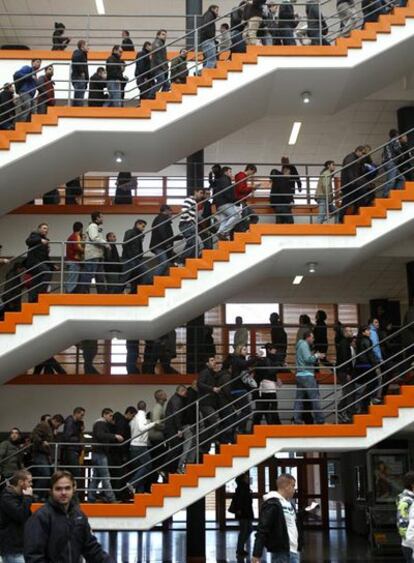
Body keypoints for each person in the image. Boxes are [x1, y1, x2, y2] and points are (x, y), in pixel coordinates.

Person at [24, 471, 113, 562]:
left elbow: (92, 549)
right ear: (51, 491)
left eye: (67, 488)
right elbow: (34, 557)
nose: (63, 492)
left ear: (73, 489)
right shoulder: (40, 517)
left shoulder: (79, 516)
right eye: (58, 489)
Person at [252, 473, 301, 563]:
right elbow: (262, 529)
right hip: (281, 553)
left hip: (293, 551)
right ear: (286, 486)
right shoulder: (272, 504)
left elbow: (291, 523)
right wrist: (256, 554)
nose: (294, 489)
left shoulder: (289, 504)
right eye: (293, 486)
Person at [89, 408, 123, 503]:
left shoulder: (98, 423)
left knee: (96, 478)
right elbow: (100, 435)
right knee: (105, 477)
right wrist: (114, 436)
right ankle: (111, 499)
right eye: (110, 415)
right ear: (104, 415)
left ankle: (91, 498)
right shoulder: (101, 423)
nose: (112, 418)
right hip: (100, 454)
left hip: (96, 454)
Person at [0, 469, 33, 563]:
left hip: (20, 546)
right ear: (20, 482)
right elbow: (21, 516)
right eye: (29, 481)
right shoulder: (7, 498)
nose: (31, 485)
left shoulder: (20, 497)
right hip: (11, 548)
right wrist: (28, 498)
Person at [293, 331, 325, 424]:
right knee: (314, 397)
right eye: (312, 337)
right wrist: (316, 355)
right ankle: (320, 419)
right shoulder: (304, 345)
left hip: (299, 375)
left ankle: (297, 420)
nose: (313, 339)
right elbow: (308, 359)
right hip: (307, 374)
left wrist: (314, 356)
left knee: (299, 399)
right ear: (308, 337)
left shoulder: (300, 345)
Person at [31, 414, 64, 501]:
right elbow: (33, 435)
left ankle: (40, 496)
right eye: (58, 424)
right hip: (39, 453)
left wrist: (55, 435)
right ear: (55, 421)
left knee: (47, 475)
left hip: (45, 454)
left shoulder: (51, 429)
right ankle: (36, 495)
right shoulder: (44, 425)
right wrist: (42, 441)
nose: (58, 427)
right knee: (46, 474)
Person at [224, 344, 254, 434]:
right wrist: (256, 358)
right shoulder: (237, 360)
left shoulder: (240, 360)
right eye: (244, 349)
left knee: (245, 411)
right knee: (247, 411)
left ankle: (237, 428)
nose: (246, 351)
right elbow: (245, 364)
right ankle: (233, 426)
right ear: (239, 350)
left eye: (246, 349)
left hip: (241, 390)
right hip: (238, 390)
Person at [129, 401, 156, 493]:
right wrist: (154, 423)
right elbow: (142, 428)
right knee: (148, 466)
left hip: (133, 446)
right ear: (145, 408)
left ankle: (140, 494)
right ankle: (132, 483)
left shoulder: (134, 418)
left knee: (140, 471)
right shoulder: (141, 415)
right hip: (140, 446)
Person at [110, 406, 136, 501]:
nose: (132, 418)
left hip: (117, 453)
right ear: (128, 413)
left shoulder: (119, 420)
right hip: (121, 454)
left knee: (118, 474)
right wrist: (124, 454)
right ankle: (119, 494)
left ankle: (119, 493)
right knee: (121, 474)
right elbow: (122, 439)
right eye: (132, 416)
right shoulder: (123, 423)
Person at [254, 344, 283, 425]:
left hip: (263, 386)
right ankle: (276, 426)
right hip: (267, 385)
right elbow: (269, 371)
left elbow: (268, 372)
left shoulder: (266, 359)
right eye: (274, 349)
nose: (275, 351)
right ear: (269, 350)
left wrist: (276, 378)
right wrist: (279, 366)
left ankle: (257, 426)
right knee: (271, 406)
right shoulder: (267, 359)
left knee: (264, 407)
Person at [197, 356, 222, 453]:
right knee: (214, 422)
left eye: (214, 360)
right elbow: (200, 384)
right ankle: (201, 441)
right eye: (211, 360)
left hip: (210, 403)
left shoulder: (212, 373)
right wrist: (212, 389)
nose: (214, 362)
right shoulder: (205, 372)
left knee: (209, 425)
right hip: (205, 403)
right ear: (207, 363)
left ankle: (204, 448)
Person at [25, 222, 54, 303]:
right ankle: (40, 294)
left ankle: (32, 300)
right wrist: (40, 240)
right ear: (39, 229)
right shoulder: (34, 235)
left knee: (35, 282)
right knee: (47, 273)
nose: (46, 230)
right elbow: (28, 241)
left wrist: (52, 266)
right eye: (44, 228)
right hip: (34, 262)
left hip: (40, 263)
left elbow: (45, 256)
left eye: (47, 229)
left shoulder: (46, 240)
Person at [80, 211, 108, 293]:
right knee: (88, 275)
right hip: (93, 255)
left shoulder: (95, 227)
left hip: (97, 255)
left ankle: (102, 294)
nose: (103, 219)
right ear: (97, 218)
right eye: (101, 217)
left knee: (100, 277)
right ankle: (82, 293)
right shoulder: (92, 226)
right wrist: (106, 244)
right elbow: (94, 238)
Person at [354, 325, 379, 413]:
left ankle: (363, 403)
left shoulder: (359, 340)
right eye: (367, 330)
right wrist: (375, 364)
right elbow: (370, 353)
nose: (369, 332)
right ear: (363, 332)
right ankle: (365, 400)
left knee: (362, 386)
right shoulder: (366, 340)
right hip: (366, 365)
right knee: (375, 381)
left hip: (359, 366)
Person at [338, 145, 366, 223]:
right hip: (349, 184)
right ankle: (341, 218)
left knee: (350, 200)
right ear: (358, 151)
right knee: (347, 201)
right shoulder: (351, 158)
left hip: (349, 183)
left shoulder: (352, 158)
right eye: (362, 153)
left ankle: (344, 217)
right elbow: (349, 169)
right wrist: (352, 180)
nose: (363, 155)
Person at [164, 385, 188, 473]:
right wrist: (179, 429)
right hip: (173, 428)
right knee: (177, 449)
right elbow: (177, 415)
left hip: (171, 427)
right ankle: (166, 468)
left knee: (176, 449)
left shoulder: (174, 399)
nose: (186, 394)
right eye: (185, 392)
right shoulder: (177, 400)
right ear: (182, 391)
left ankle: (169, 469)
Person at [335, 325, 356, 422]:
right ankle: (342, 411)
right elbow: (345, 359)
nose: (351, 333)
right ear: (345, 333)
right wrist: (348, 372)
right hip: (344, 372)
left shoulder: (346, 343)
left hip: (344, 371)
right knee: (349, 392)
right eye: (349, 331)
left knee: (349, 392)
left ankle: (342, 411)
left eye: (351, 331)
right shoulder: (344, 344)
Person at [212, 166, 239, 240]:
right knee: (236, 216)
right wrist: (233, 200)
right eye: (230, 172)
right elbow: (227, 191)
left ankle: (220, 233)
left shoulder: (222, 179)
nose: (231, 174)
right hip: (224, 202)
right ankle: (222, 232)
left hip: (219, 204)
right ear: (226, 172)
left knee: (224, 221)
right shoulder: (225, 179)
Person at [178, 187, 205, 261]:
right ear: (195, 192)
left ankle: (190, 261)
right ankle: (180, 261)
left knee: (196, 244)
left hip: (190, 224)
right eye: (200, 193)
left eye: (202, 194)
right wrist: (190, 221)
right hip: (187, 224)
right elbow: (184, 210)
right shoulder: (189, 200)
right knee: (192, 243)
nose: (201, 195)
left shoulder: (194, 202)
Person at [232, 472, 254, 561]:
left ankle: (240, 548)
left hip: (246, 512)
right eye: (246, 477)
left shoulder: (244, 487)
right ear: (243, 479)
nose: (248, 478)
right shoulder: (242, 488)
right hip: (244, 513)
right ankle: (239, 549)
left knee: (248, 530)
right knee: (245, 530)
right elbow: (240, 501)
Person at [122, 218, 148, 293]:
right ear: (137, 224)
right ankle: (115, 294)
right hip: (130, 259)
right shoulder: (130, 232)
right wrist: (132, 257)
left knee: (136, 278)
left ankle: (133, 293)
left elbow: (138, 248)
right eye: (143, 226)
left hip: (136, 259)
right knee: (125, 278)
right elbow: (126, 244)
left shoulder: (139, 235)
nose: (143, 229)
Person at [61, 407, 85, 482]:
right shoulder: (70, 422)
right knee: (75, 472)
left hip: (72, 449)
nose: (82, 417)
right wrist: (78, 439)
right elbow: (67, 437)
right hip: (71, 449)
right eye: (81, 415)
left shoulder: (74, 423)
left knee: (73, 472)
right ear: (76, 413)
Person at [150, 204, 175, 277]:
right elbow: (162, 230)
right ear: (166, 211)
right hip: (160, 246)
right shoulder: (163, 217)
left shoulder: (160, 218)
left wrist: (178, 238)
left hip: (160, 245)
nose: (171, 213)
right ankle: (151, 281)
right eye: (170, 211)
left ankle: (157, 282)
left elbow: (165, 233)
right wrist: (167, 243)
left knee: (163, 264)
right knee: (164, 263)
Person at [13, 58, 41, 123]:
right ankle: (20, 124)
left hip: (31, 95)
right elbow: (17, 74)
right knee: (27, 106)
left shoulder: (35, 74)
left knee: (34, 110)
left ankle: (34, 125)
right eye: (37, 62)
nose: (39, 64)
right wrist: (29, 76)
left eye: (40, 63)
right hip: (25, 92)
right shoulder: (27, 68)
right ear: (32, 62)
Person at [148, 390, 168, 479]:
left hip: (158, 438)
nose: (166, 395)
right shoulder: (157, 408)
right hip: (156, 439)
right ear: (160, 396)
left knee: (159, 461)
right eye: (164, 394)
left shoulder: (160, 407)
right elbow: (156, 424)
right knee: (159, 462)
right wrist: (167, 427)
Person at [234, 164, 259, 231]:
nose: (252, 175)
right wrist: (252, 187)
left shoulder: (242, 176)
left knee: (254, 217)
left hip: (242, 201)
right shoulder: (241, 176)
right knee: (245, 218)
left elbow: (243, 191)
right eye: (253, 173)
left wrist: (252, 189)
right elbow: (241, 189)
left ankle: (241, 229)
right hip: (240, 201)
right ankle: (241, 230)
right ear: (250, 169)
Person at [397, 471, 414, 562]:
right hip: (410, 542)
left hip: (407, 542)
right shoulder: (409, 501)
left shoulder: (405, 499)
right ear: (412, 485)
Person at [382, 129, 404, 197]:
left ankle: (397, 195)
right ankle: (385, 195)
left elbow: (383, 153)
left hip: (387, 162)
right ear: (396, 134)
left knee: (401, 179)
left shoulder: (388, 142)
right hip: (390, 162)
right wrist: (401, 155)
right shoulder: (395, 140)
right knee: (391, 180)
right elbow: (396, 149)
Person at [65, 221, 84, 294]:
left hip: (71, 260)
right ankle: (69, 295)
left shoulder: (71, 236)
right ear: (81, 229)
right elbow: (77, 247)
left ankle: (69, 294)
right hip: (74, 261)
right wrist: (85, 250)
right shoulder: (76, 236)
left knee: (72, 279)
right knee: (72, 280)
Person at [200, 5, 219, 69]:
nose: (217, 13)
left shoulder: (208, 15)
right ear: (212, 9)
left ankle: (200, 73)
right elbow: (206, 26)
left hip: (206, 40)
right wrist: (211, 36)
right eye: (216, 10)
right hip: (208, 40)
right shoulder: (209, 15)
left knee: (208, 59)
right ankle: (201, 73)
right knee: (212, 60)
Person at [71, 40, 89, 106]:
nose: (88, 48)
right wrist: (81, 72)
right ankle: (76, 110)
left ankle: (77, 109)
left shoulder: (82, 54)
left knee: (80, 96)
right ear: (82, 46)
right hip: (79, 78)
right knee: (79, 97)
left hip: (80, 78)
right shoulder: (78, 53)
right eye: (87, 46)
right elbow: (76, 60)